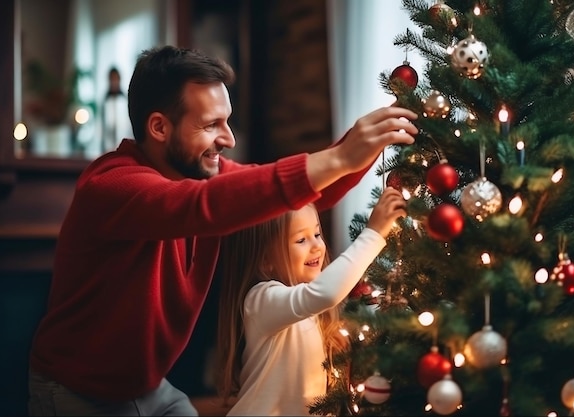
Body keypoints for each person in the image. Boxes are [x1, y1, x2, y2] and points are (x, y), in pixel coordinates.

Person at [26, 44, 417, 416]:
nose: (228, 139)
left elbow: (291, 198)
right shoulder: (111, 187)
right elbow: (200, 207)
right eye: (212, 124)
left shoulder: (202, 174)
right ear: (159, 127)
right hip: (76, 394)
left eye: (226, 121)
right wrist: (338, 157)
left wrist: (372, 139)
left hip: (149, 387)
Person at [215, 186, 406, 416]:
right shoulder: (261, 300)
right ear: (266, 260)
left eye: (317, 234)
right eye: (301, 240)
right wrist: (373, 234)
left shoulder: (310, 310)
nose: (316, 245)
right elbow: (323, 293)